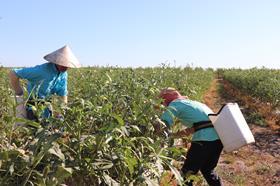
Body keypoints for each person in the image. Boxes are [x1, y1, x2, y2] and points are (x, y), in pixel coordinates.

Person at [155, 87, 223, 186]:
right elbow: (197, 127)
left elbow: (163, 124)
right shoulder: (194, 104)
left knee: (186, 175)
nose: (162, 104)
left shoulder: (175, 104)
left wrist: (155, 133)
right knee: (207, 169)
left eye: (162, 101)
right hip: (218, 140)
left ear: (167, 98)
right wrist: (173, 135)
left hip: (204, 140)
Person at [9, 45, 81, 124]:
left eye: (67, 65)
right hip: (34, 105)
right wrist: (19, 92)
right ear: (56, 61)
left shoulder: (63, 74)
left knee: (49, 129)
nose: (65, 67)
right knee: (35, 130)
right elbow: (14, 73)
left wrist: (61, 112)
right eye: (62, 63)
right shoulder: (41, 71)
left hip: (46, 105)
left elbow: (63, 93)